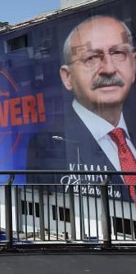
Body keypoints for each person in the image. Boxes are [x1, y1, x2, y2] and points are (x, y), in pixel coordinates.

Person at [28, 15, 136, 199]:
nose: (108, 69)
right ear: (67, 77)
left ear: (133, 64)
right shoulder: (49, 141)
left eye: (118, 53)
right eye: (92, 58)